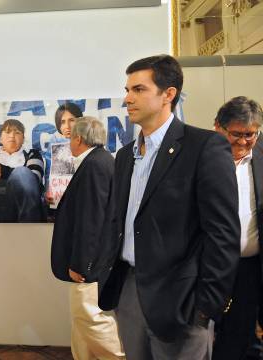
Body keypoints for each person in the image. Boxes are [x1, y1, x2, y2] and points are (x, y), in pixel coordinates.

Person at [98, 55, 240, 360]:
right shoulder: (124, 156)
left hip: (182, 298)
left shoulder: (204, 147)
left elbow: (223, 234)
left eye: (138, 89)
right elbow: (117, 222)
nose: (127, 99)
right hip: (130, 290)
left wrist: (205, 307)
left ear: (169, 94)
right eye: (127, 89)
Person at [51, 117, 124, 360]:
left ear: (78, 139)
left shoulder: (94, 165)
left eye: (70, 137)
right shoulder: (101, 161)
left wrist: (81, 264)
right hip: (97, 259)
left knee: (90, 317)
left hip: (90, 265)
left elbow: (91, 221)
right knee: (81, 322)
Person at [212, 96, 263, 360]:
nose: (243, 142)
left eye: (250, 135)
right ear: (218, 127)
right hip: (208, 268)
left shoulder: (260, 157)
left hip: (249, 268)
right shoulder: (202, 157)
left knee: (241, 335)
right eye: (236, 134)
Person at [44, 102, 83, 206]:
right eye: (63, 122)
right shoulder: (55, 141)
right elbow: (49, 172)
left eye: (71, 120)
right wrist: (49, 191)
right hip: (61, 200)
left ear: (79, 121)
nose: (67, 126)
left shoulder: (89, 139)